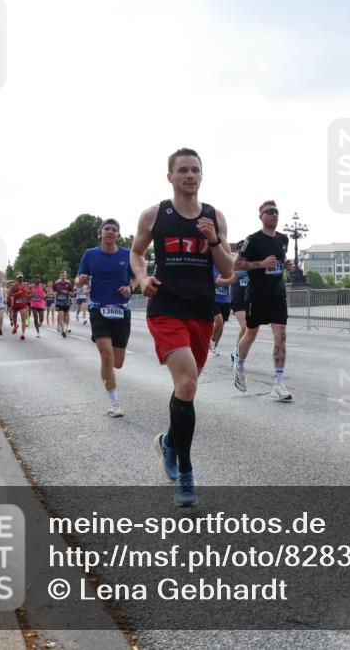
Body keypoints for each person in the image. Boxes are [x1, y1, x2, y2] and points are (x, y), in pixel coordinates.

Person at [132, 148, 234, 507]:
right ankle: (186, 475)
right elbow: (137, 252)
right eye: (183, 170)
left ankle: (168, 443)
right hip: (166, 309)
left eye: (195, 170)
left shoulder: (214, 217)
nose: (190, 175)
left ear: (201, 177)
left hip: (201, 312)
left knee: (186, 390)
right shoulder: (155, 214)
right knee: (188, 383)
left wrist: (214, 241)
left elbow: (227, 271)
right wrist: (142, 278)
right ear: (170, 177)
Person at [232, 201, 295, 401]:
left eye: (276, 212)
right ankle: (239, 363)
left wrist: (287, 264)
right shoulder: (253, 240)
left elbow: (282, 256)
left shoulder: (283, 239)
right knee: (250, 334)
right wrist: (261, 264)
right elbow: (237, 264)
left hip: (277, 293)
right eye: (269, 212)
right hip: (257, 294)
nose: (274, 215)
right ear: (261, 216)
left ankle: (278, 383)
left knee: (281, 336)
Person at [76, 219, 136, 418]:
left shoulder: (126, 255)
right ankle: (114, 402)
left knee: (117, 362)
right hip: (98, 308)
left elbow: (136, 277)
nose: (110, 232)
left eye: (114, 230)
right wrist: (82, 280)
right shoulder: (90, 254)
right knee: (106, 355)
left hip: (121, 310)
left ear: (118, 235)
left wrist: (130, 288)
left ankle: (109, 379)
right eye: (107, 229)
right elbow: (78, 278)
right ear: (100, 233)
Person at [227, 248, 249, 369]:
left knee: (247, 331)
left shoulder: (251, 266)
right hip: (237, 301)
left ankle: (235, 352)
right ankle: (236, 355)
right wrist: (229, 280)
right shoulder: (233, 265)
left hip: (248, 301)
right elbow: (219, 279)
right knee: (245, 327)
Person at [209, 265, 235, 357]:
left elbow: (234, 280)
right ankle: (211, 340)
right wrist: (229, 280)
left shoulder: (227, 267)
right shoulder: (212, 267)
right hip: (214, 299)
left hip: (225, 299)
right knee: (218, 321)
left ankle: (214, 346)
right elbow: (217, 280)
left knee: (222, 324)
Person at [53, 271, 75, 337]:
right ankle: (62, 331)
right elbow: (54, 291)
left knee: (66, 317)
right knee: (61, 316)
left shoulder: (68, 284)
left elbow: (73, 294)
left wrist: (67, 292)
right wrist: (55, 294)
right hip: (59, 302)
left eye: (64, 275)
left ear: (66, 276)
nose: (63, 276)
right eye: (62, 275)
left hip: (66, 302)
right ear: (60, 276)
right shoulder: (56, 284)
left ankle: (65, 327)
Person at [8, 274, 30, 340]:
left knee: (23, 319)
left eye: (21, 277)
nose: (20, 279)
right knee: (15, 318)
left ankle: (23, 334)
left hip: (23, 305)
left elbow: (27, 292)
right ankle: (15, 326)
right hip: (15, 304)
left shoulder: (25, 285)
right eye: (19, 277)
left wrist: (29, 295)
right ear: (17, 278)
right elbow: (9, 294)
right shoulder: (13, 286)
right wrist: (17, 293)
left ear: (23, 278)